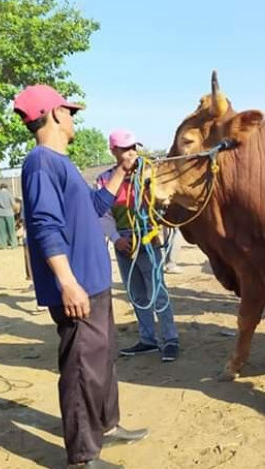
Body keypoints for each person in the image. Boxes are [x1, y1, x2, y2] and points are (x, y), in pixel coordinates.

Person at [14, 85, 147, 469]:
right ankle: (83, 457)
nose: (73, 118)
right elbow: (44, 225)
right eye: (69, 112)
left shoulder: (62, 162)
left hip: (94, 281)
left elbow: (93, 207)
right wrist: (67, 282)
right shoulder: (41, 162)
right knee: (80, 368)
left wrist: (122, 172)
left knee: (102, 359)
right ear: (54, 114)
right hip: (77, 286)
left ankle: (107, 425)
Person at [96, 129, 180, 362]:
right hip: (123, 241)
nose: (132, 153)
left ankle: (170, 339)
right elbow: (103, 214)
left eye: (134, 147)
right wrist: (116, 239)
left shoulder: (149, 173)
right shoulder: (104, 180)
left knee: (158, 292)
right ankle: (147, 339)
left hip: (148, 238)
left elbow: (164, 200)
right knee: (136, 293)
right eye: (125, 149)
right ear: (113, 151)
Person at [0, 183, 18, 249]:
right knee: (11, 230)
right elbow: (14, 204)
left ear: (0, 187)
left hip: (0, 213)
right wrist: (15, 211)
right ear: (6, 188)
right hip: (9, 213)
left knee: (1, 230)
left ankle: (3, 245)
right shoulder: (9, 194)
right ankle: (13, 244)